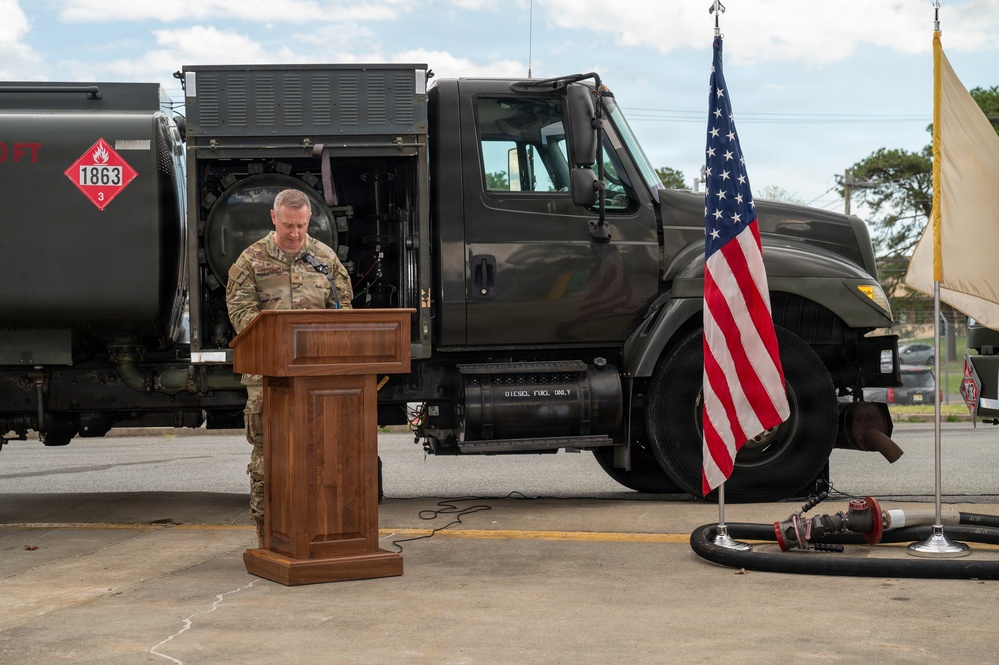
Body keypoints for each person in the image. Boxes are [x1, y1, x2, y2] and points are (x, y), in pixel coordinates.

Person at [225, 188, 352, 547]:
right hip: (269, 378)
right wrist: (283, 345)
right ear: (273, 218)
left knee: (324, 457)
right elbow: (241, 316)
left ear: (309, 220)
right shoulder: (250, 261)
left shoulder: (324, 259)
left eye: (300, 225)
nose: (294, 233)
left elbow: (342, 312)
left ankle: (323, 535)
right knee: (271, 461)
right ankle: (270, 540)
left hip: (319, 380)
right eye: (287, 226)